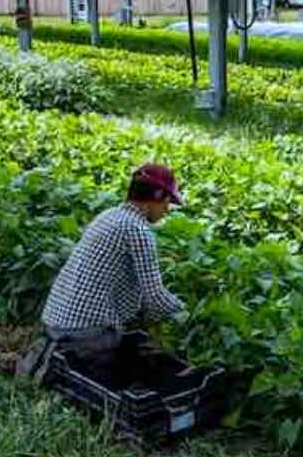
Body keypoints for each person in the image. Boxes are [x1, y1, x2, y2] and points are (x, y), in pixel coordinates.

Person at [16, 162, 188, 385]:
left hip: (55, 323)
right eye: (167, 202)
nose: (167, 210)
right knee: (125, 364)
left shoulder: (109, 215)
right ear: (155, 197)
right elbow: (154, 298)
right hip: (85, 333)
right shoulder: (138, 230)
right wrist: (187, 316)